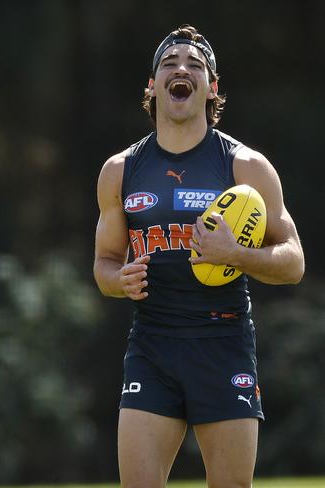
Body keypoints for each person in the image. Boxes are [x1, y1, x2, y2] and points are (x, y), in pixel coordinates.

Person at [93, 25, 303, 488]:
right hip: (152, 343)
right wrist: (119, 279)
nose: (181, 69)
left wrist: (236, 254)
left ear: (211, 88)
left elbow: (293, 262)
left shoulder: (245, 167)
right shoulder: (120, 171)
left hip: (223, 342)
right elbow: (104, 265)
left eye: (194, 65)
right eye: (168, 64)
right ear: (152, 86)